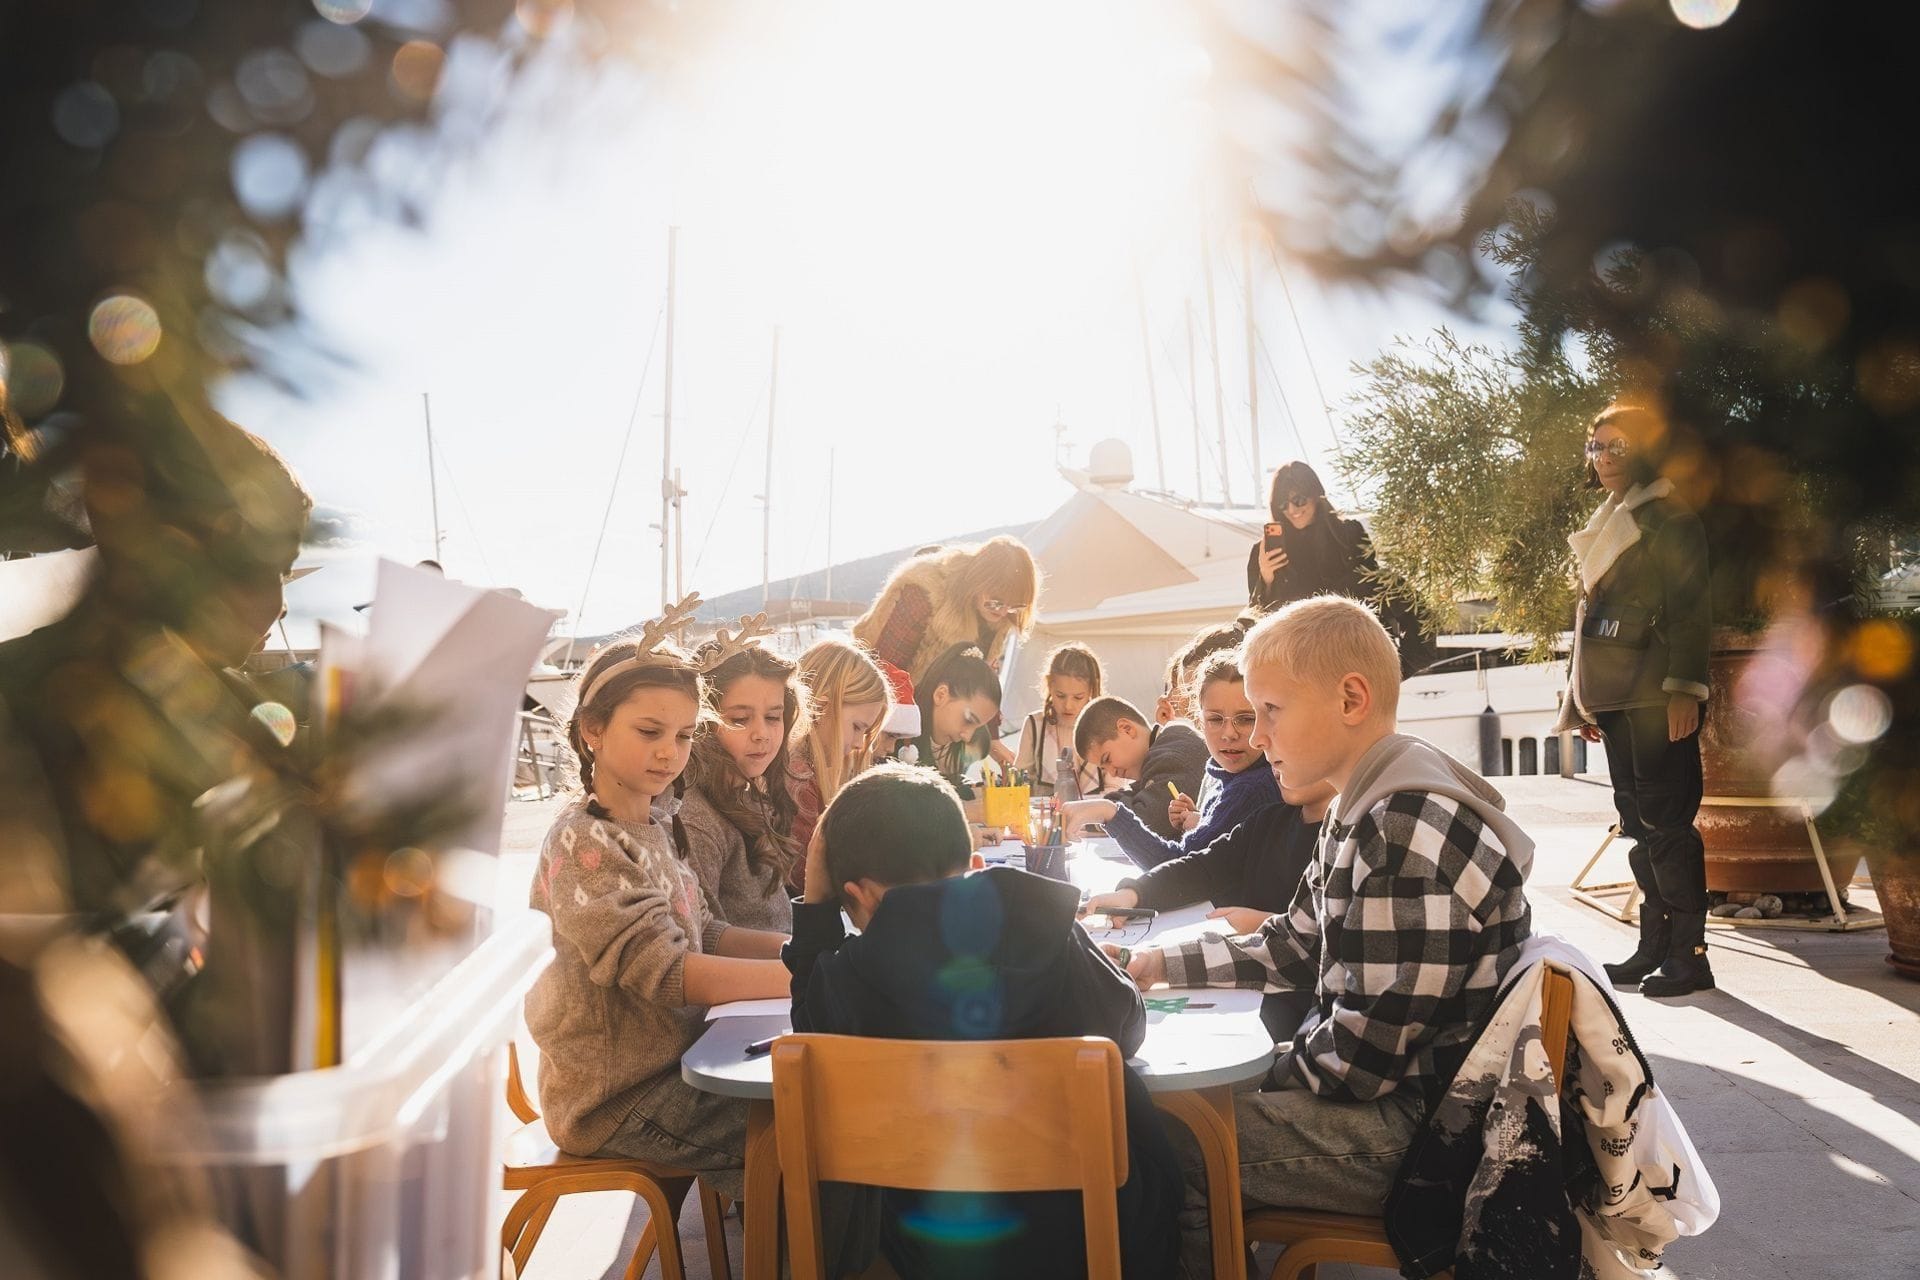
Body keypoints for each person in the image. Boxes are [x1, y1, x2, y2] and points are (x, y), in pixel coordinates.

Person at [1109, 597, 1533, 1276]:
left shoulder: (1404, 828)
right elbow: (1292, 943)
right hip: (1398, 1103)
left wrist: (1253, 1074)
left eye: (1270, 711)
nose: (1257, 737)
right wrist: (1156, 961)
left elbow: (1362, 1062)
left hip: (1425, 1136)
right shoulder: (1363, 803)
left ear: (1351, 699)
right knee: (1177, 1118)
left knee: (1171, 1147)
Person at [784, 763, 1182, 1279]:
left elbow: (811, 1036)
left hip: (935, 1248)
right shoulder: (1046, 921)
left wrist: (817, 911)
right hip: (1101, 1231)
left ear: (861, 896)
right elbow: (1126, 1026)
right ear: (974, 863)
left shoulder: (850, 977)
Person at [524, 620, 792, 1196]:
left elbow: (706, 932)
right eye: (650, 731)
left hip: (679, 1065)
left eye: (685, 735)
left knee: (812, 1098)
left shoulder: (657, 821)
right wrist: (805, 979)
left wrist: (806, 952)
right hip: (616, 1098)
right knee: (806, 1121)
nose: (670, 752)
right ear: (592, 729)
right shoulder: (583, 841)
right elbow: (667, 970)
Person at [1554, 401, 1714, 998]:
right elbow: (1591, 619)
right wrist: (1583, 701)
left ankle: (1690, 956)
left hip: (1656, 697)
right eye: (1595, 447)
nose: (1603, 458)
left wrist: (1684, 692)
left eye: (1616, 446)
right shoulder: (1610, 518)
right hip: (1618, 698)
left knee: (1668, 824)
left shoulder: (1671, 519)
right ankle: (1654, 946)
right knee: (1639, 826)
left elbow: (1692, 612)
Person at [1082, 771, 1335, 1039]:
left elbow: (1315, 946)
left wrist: (1269, 923)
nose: (1266, 750)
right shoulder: (1270, 819)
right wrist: (1134, 893)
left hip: (1288, 1012)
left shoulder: (1344, 840)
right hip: (1234, 981)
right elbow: (1203, 867)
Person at [1099, 651, 1284, 870]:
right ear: (1199, 719)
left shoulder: (1251, 788)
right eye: (1215, 719)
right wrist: (1202, 821)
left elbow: (1178, 870)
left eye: (1245, 719)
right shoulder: (1222, 773)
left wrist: (1109, 813)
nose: (1229, 734)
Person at [681, 627, 800, 932]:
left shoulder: (746, 794)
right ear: (701, 722)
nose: (762, 734)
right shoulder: (696, 821)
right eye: (739, 719)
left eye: (773, 717)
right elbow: (702, 937)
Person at [853, 536, 1041, 684]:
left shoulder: (1001, 617)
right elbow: (883, 674)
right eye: (996, 603)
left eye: (1014, 606)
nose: (1003, 612)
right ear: (978, 580)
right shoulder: (923, 592)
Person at [785, 636, 891, 857]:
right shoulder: (799, 782)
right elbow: (805, 872)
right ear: (820, 708)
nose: (859, 744)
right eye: (857, 727)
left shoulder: (803, 774)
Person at [1061, 695, 1209, 843]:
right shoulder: (1158, 755)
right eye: (1104, 768)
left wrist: (1101, 811)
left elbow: (1147, 821)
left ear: (1127, 729)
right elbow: (1134, 796)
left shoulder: (1174, 754)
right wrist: (1097, 812)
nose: (1112, 772)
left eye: (1107, 759)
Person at [1010, 641, 1105, 796]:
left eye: (1078, 697)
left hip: (1095, 810)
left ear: (1091, 691)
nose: (1068, 705)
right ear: (1049, 686)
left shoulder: (1104, 728)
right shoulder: (1035, 725)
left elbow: (1115, 788)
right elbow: (1019, 780)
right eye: (1060, 696)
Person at [910, 643, 1003, 792]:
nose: (967, 737)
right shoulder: (895, 734)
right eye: (968, 720)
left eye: (977, 728)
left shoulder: (957, 747)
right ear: (941, 695)